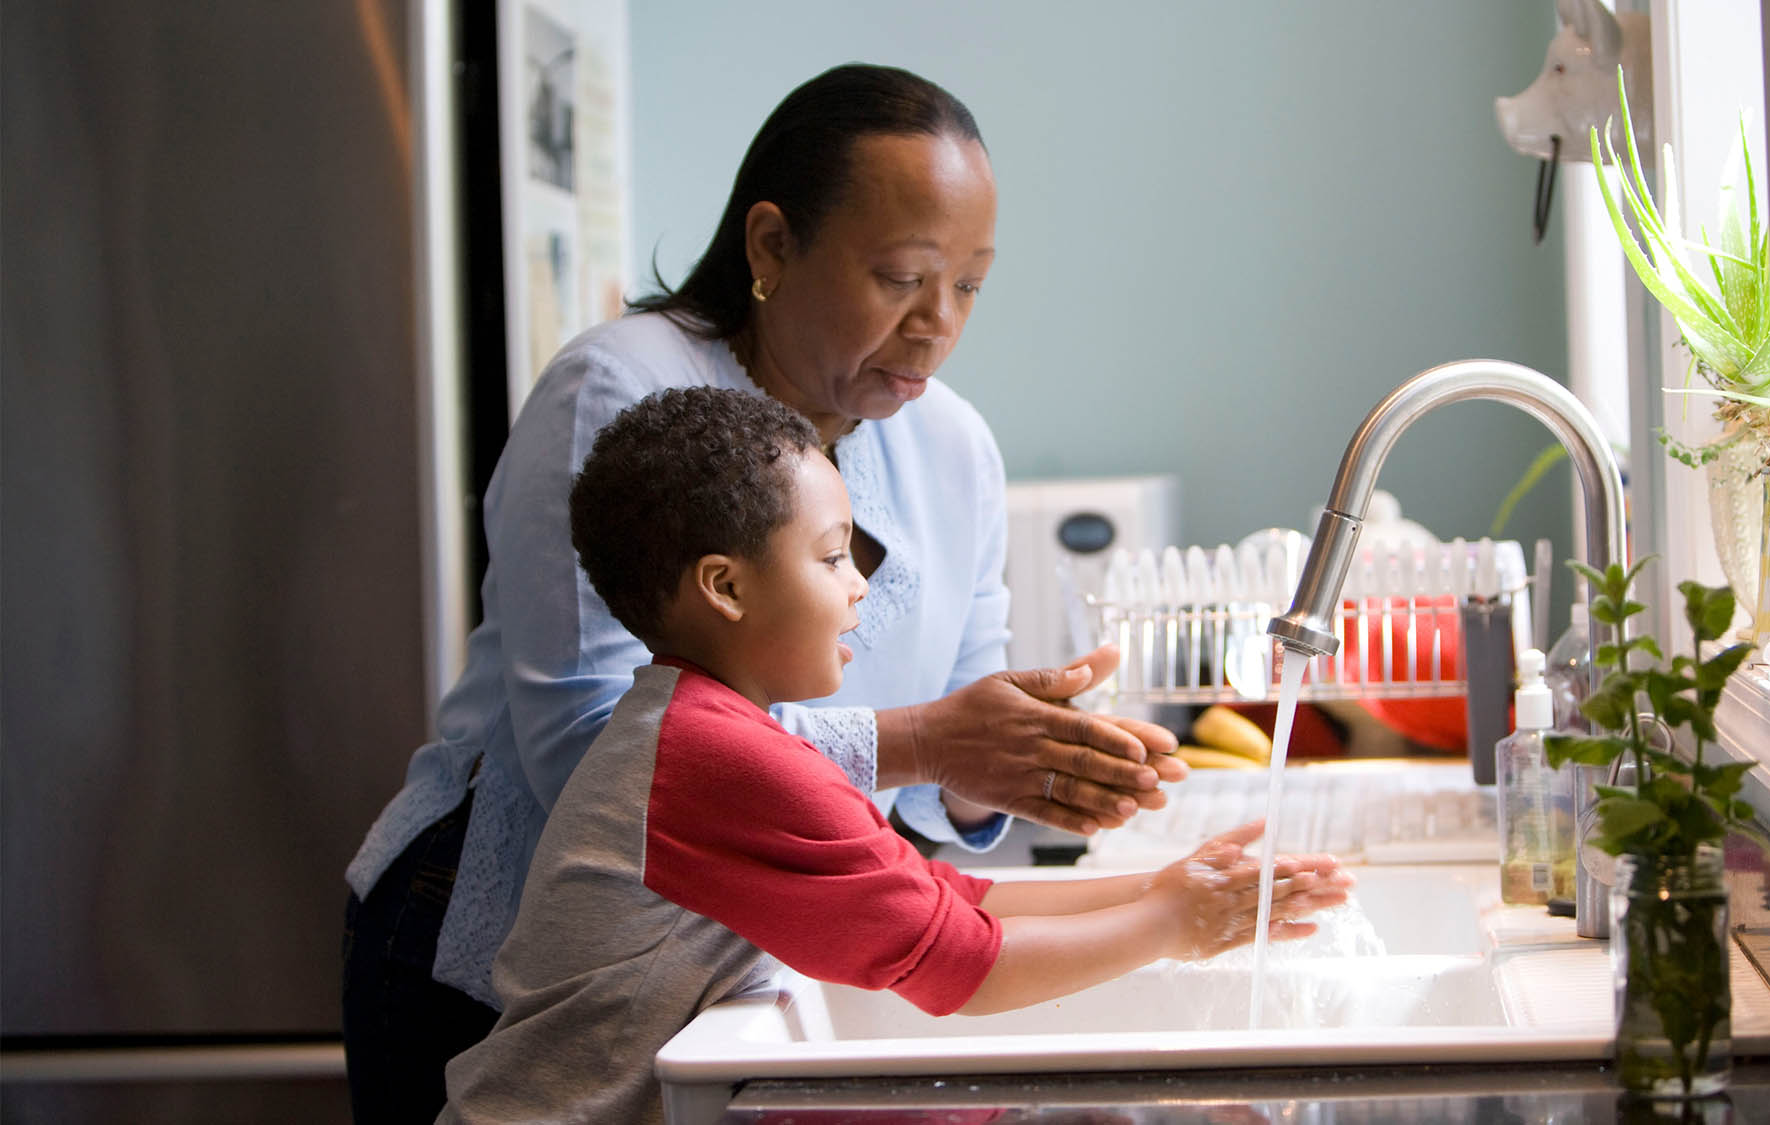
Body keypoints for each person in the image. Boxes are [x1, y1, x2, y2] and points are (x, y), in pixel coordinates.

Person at [342, 62, 1188, 1120]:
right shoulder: (621, 386)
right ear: (771, 246)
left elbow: (939, 793)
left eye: (969, 283)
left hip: (728, 968)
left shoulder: (954, 444)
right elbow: (600, 756)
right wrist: (928, 740)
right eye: (900, 276)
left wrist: (1025, 758)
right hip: (500, 957)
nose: (938, 323)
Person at [437, 387, 1351, 1123]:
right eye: (833, 557)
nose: (860, 584)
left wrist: (1159, 886)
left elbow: (951, 897)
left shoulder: (706, 729)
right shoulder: (712, 756)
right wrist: (1175, 924)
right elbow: (965, 964)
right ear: (725, 587)